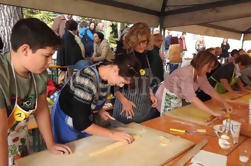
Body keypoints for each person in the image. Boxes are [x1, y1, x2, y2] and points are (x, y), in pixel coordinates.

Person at [0, 18, 72, 166]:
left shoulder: (39, 73)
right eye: (46, 55)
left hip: (17, 142)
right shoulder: (3, 74)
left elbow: (41, 108)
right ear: (25, 50)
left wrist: (50, 144)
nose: (50, 61)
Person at [51, 54, 141, 144]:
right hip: (66, 121)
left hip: (82, 118)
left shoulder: (106, 72)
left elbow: (89, 98)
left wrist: (99, 110)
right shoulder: (86, 79)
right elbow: (81, 124)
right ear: (115, 70)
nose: (121, 85)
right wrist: (112, 134)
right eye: (122, 82)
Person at [156, 51, 232, 116]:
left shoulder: (201, 74)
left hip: (176, 97)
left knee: (174, 116)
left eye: (211, 68)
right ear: (201, 63)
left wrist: (224, 103)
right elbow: (191, 97)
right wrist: (213, 112)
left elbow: (210, 90)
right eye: (209, 67)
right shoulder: (186, 73)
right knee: (167, 118)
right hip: (166, 96)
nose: (209, 71)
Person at [113, 22, 159, 124]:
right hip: (126, 110)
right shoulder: (124, 56)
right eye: (139, 42)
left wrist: (151, 94)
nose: (143, 45)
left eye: (145, 42)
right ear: (133, 41)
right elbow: (115, 88)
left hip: (144, 111)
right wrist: (125, 102)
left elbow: (146, 80)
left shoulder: (146, 56)